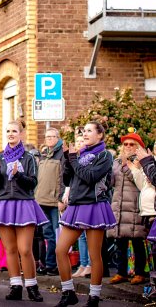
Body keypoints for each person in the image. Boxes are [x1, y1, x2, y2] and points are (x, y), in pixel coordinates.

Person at [55, 121, 116, 307]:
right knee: (60, 249)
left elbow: (90, 177)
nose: (86, 133)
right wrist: (67, 158)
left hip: (94, 206)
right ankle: (68, 292)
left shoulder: (105, 155)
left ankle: (94, 296)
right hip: (75, 206)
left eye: (89, 131)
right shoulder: (80, 154)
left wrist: (73, 160)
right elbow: (68, 179)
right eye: (84, 131)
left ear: (100, 135)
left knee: (94, 254)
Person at [0, 120, 47, 302]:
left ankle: (32, 286)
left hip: (24, 204)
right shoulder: (0, 158)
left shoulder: (28, 158)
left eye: (14, 131)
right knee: (10, 249)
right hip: (4, 204)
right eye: (8, 131)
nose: (11, 134)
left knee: (25, 249)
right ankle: (15, 286)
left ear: (21, 134)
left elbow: (33, 183)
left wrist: (18, 175)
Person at [107, 132, 147, 285]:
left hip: (135, 206)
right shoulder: (117, 161)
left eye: (132, 144)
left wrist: (126, 166)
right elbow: (111, 182)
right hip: (119, 206)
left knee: (137, 241)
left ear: (138, 147)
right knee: (120, 242)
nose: (128, 147)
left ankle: (139, 273)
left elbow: (139, 182)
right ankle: (121, 272)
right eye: (125, 144)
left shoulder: (141, 162)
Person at [35, 127, 65, 276]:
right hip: (41, 200)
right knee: (45, 235)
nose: (50, 139)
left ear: (58, 138)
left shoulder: (62, 155)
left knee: (55, 235)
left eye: (53, 136)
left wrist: (61, 198)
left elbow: (64, 178)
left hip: (54, 202)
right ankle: (45, 264)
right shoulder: (44, 154)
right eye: (47, 137)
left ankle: (53, 265)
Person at [68, 128, 91, 279]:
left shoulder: (90, 157)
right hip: (75, 199)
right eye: (77, 141)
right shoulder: (75, 158)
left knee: (90, 236)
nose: (79, 143)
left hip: (88, 200)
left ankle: (90, 264)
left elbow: (86, 177)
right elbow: (68, 179)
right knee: (81, 237)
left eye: (82, 141)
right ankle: (83, 264)